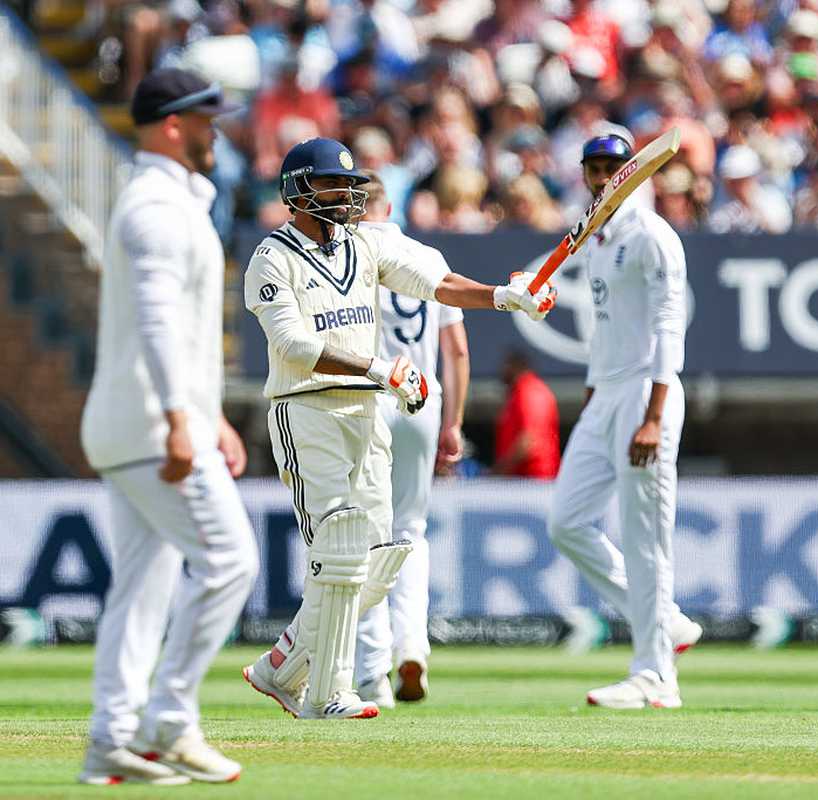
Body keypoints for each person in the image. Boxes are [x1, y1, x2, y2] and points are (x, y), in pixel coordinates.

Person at [240, 137, 555, 720]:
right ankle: (327, 691)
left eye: (349, 186)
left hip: (367, 415)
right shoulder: (271, 257)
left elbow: (435, 285)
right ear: (298, 192)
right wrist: (380, 367)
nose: (346, 196)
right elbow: (293, 344)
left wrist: (506, 296)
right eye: (333, 185)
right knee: (336, 550)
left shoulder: (364, 244)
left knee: (383, 556)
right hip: (306, 410)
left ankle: (282, 665)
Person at [77, 68, 259, 785]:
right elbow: (155, 326)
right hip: (153, 429)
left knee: (142, 589)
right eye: (208, 120)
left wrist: (210, 417)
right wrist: (184, 424)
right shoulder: (154, 205)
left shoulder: (174, 200)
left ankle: (110, 741)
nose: (220, 132)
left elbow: (178, 334)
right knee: (230, 562)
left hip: (146, 425)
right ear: (173, 125)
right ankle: (169, 722)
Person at [545, 133, 703, 710]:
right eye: (595, 167)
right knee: (566, 522)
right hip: (607, 393)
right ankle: (666, 620)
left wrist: (654, 416)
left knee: (646, 541)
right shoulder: (597, 232)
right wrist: (593, 396)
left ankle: (656, 676)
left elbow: (669, 326)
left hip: (645, 394)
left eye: (615, 166)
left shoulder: (652, 235)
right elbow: (605, 328)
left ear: (635, 169)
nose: (605, 175)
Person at [353, 172, 471, 707]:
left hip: (374, 397)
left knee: (364, 534)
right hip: (425, 400)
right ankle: (414, 646)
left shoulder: (350, 253)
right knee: (412, 532)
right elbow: (459, 351)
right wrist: (455, 421)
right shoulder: (427, 254)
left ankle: (371, 669)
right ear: (391, 204)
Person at [492, 351, 560, 479]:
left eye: (506, 366)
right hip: (524, 481)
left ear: (515, 366)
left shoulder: (529, 390)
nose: (502, 371)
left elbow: (528, 440)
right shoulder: (520, 392)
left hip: (533, 482)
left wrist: (499, 472)